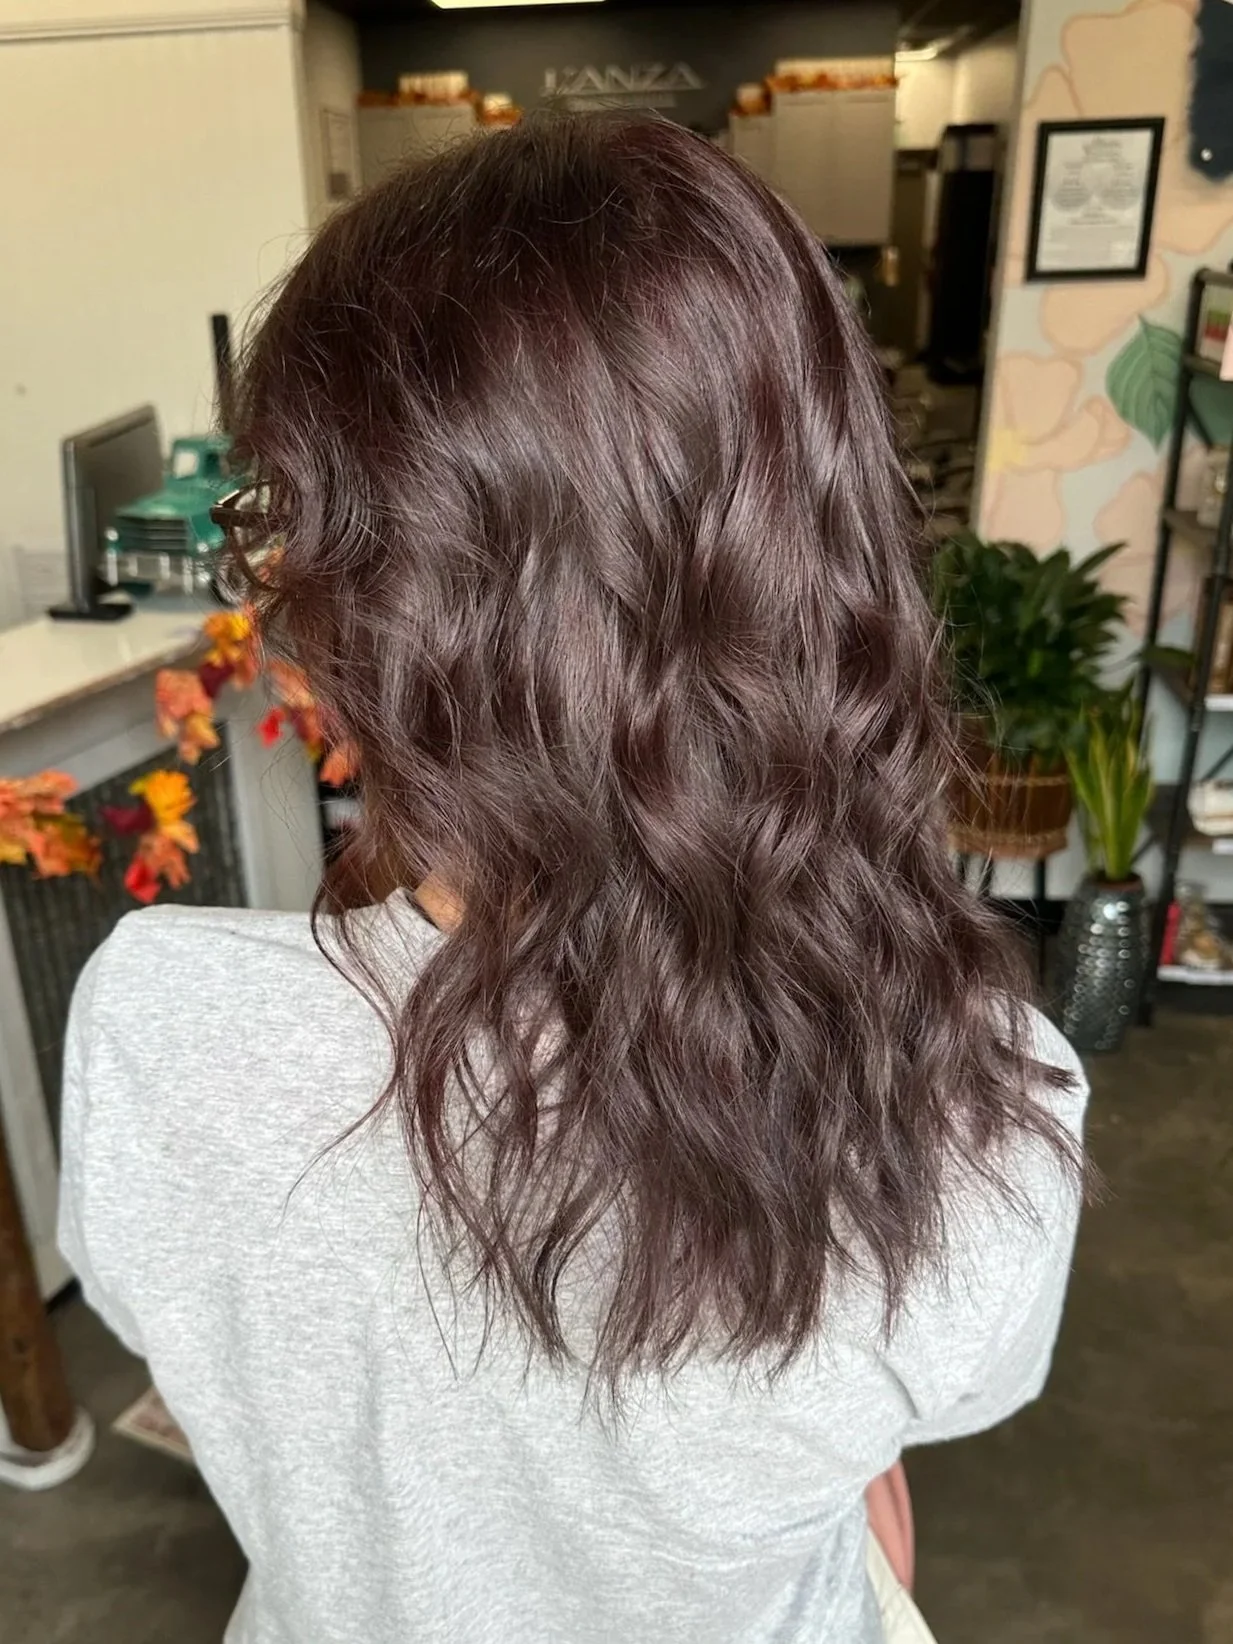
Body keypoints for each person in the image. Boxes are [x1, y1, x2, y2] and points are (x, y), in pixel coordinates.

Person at [59, 114, 1087, 1644]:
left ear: (366, 619)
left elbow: (224, 1376)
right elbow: (921, 1426)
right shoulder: (984, 1111)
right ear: (824, 569)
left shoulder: (164, 1033)